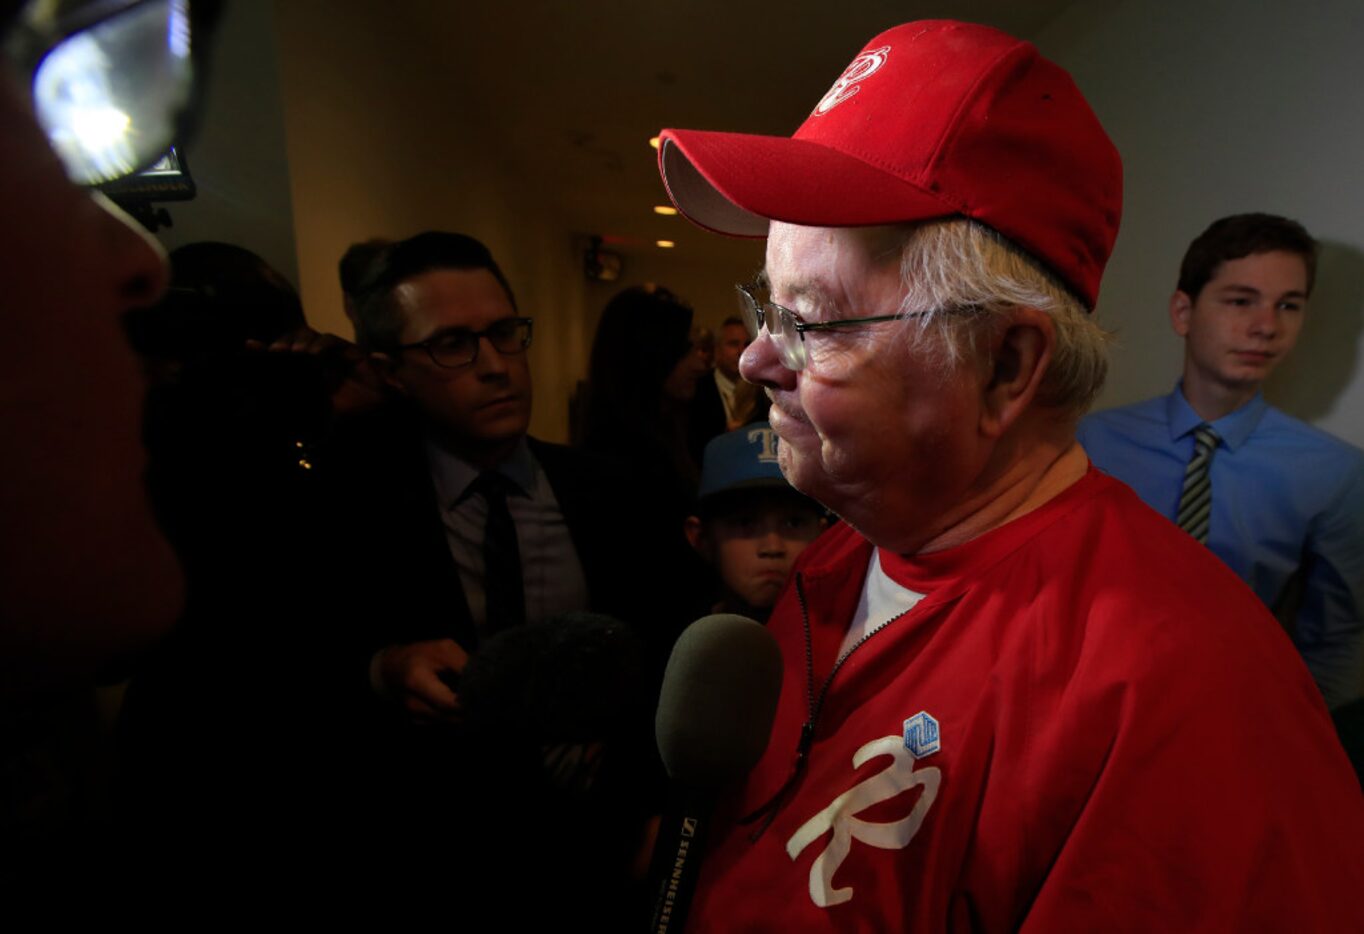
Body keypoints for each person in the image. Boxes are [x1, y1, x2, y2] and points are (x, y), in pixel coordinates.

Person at [653, 19, 1363, 930]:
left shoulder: (1181, 697)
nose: (753, 361)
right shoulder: (842, 556)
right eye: (764, 307)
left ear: (1003, 366)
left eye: (812, 323)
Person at [1077, 214, 1364, 710]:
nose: (1266, 327)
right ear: (1183, 313)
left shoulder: (1334, 474)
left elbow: (1336, 641)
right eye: (1240, 300)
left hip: (1236, 711)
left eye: (1288, 306)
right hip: (1092, 699)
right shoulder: (1091, 443)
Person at [684, 422, 825, 622]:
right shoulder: (677, 645)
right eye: (744, 523)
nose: (773, 547)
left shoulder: (852, 636)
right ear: (701, 538)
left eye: (794, 523)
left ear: (823, 536)